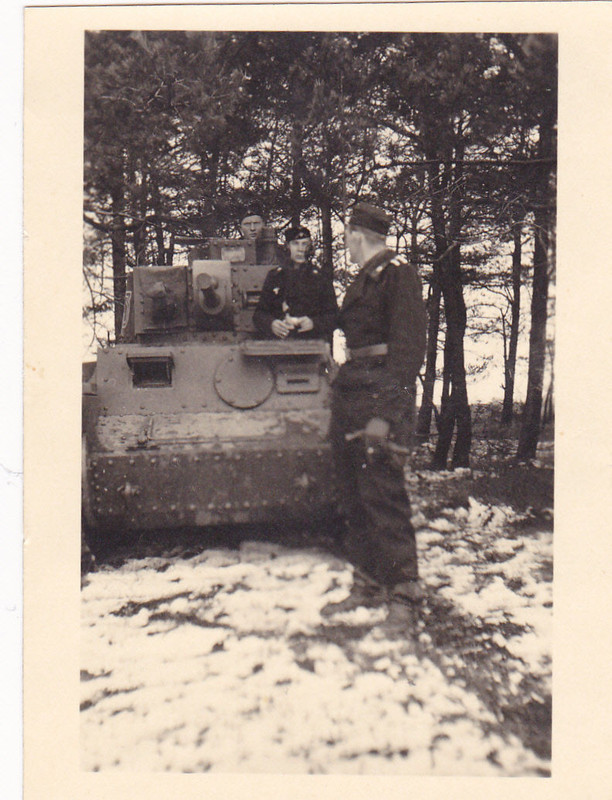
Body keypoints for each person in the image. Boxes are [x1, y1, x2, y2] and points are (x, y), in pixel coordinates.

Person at [328, 201, 427, 615]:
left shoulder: (397, 274)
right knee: (354, 495)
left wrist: (385, 415)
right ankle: (366, 583)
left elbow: (407, 351)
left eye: (347, 239)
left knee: (383, 493)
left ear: (357, 235)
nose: (345, 247)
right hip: (352, 391)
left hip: (379, 395)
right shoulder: (364, 279)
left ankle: (404, 590)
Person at [253, 225, 338, 341]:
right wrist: (272, 324)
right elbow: (259, 314)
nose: (300, 249)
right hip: (280, 345)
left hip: (312, 345)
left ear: (310, 247)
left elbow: (334, 316)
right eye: (295, 243)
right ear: (288, 246)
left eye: (304, 244)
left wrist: (313, 323)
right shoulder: (275, 276)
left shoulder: (320, 277)